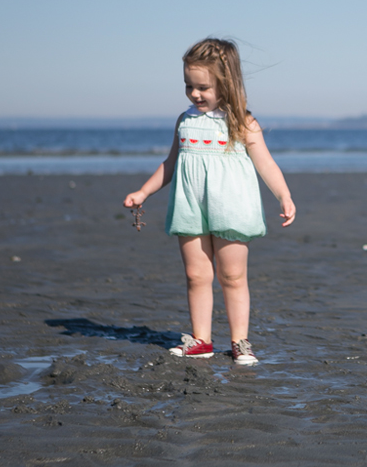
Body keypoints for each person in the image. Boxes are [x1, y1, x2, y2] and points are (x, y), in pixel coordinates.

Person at [123, 38, 295, 366]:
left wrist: (284, 195)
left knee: (232, 277)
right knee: (196, 275)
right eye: (188, 86)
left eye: (203, 87)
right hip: (190, 207)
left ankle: (240, 342)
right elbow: (171, 163)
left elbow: (266, 164)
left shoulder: (242, 122)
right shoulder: (185, 121)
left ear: (226, 84)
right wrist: (144, 192)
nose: (195, 94)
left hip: (231, 209)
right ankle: (201, 340)